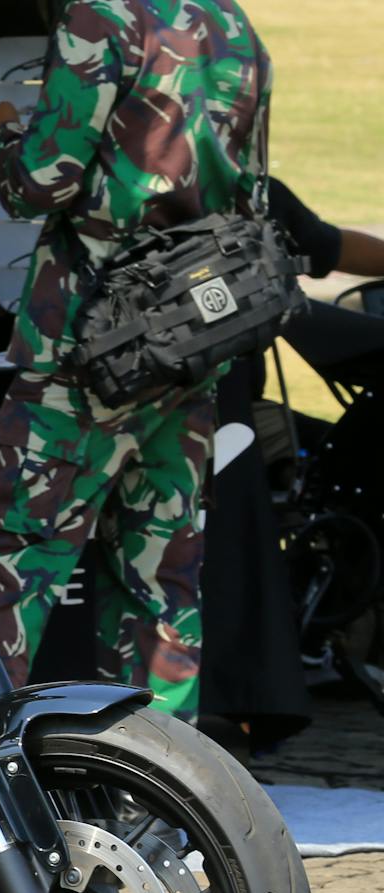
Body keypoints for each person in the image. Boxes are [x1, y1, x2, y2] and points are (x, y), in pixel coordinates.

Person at [0, 0, 270, 721]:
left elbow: (42, 179)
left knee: (7, 563)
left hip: (86, 345)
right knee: (163, 583)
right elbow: (249, 190)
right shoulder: (230, 22)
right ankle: (163, 802)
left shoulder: (98, 16)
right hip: (190, 341)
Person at [200, 178, 384, 744]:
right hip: (221, 422)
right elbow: (325, 248)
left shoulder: (245, 187)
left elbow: (323, 246)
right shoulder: (235, 182)